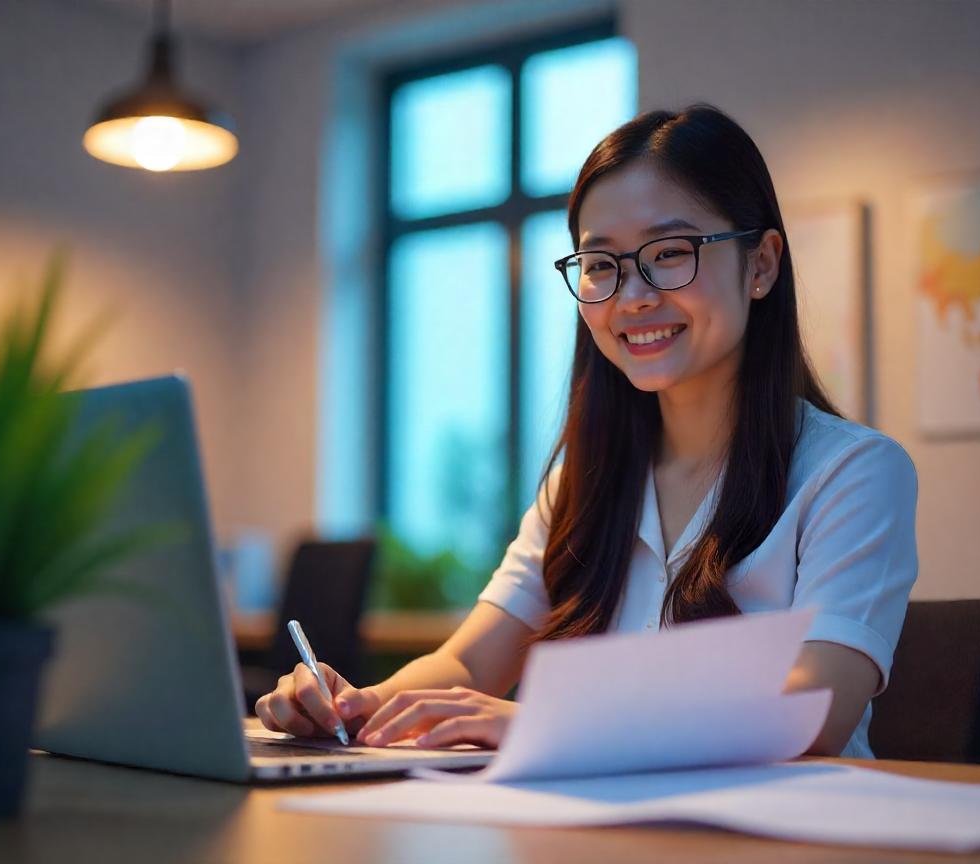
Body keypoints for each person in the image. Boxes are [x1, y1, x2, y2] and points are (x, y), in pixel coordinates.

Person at [257, 104, 918, 759]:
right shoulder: (585, 480)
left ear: (762, 265)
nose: (633, 296)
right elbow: (468, 663)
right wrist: (358, 706)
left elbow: (816, 706)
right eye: (602, 265)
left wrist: (551, 723)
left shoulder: (852, 472)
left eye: (669, 253)